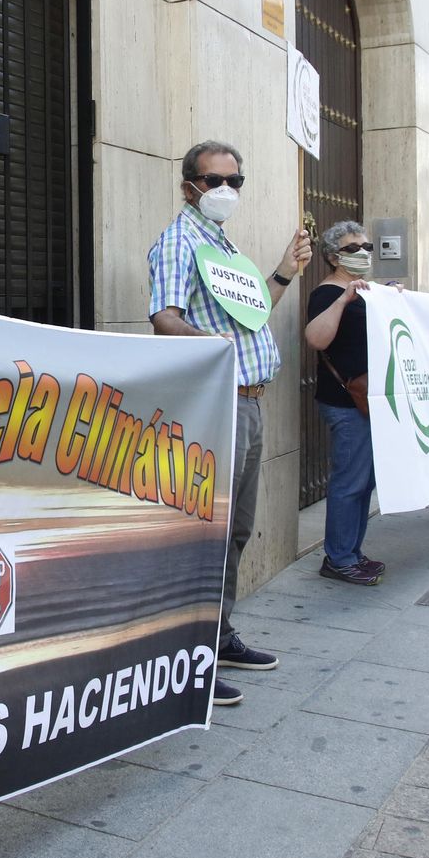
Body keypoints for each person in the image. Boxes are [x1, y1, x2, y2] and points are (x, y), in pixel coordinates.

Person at [149, 140, 312, 706]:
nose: (225, 191)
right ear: (188, 184)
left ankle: (217, 635)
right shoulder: (179, 242)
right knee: (206, 534)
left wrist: (284, 275)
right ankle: (188, 662)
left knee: (236, 531)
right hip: (216, 402)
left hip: (249, 402)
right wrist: (204, 342)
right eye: (213, 180)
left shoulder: (222, 244)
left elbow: (251, 314)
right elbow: (164, 318)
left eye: (234, 181)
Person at [304, 222, 387, 584]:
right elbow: (316, 339)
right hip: (347, 402)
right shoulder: (327, 294)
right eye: (354, 248)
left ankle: (352, 552)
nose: (364, 252)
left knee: (364, 482)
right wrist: (344, 300)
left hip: (370, 401)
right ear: (334, 256)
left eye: (366, 245)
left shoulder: (367, 290)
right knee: (350, 482)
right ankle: (338, 558)